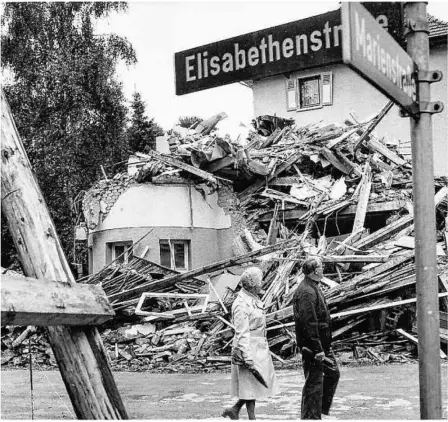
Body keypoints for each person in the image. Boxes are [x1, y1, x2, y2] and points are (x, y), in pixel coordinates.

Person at [222, 267, 278, 420]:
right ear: (253, 284)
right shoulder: (241, 304)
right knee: (249, 385)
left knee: (254, 384)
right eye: (260, 282)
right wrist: (247, 357)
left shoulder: (253, 298)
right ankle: (251, 418)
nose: (262, 284)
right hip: (247, 347)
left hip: (258, 345)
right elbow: (242, 332)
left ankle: (234, 409)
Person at [293, 257, 340, 420]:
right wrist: (317, 349)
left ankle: (320, 412)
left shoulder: (313, 286)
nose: (323, 269)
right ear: (315, 270)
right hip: (314, 348)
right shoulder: (306, 291)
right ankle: (310, 417)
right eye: (321, 266)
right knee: (313, 383)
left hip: (321, 345)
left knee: (332, 374)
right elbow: (308, 322)